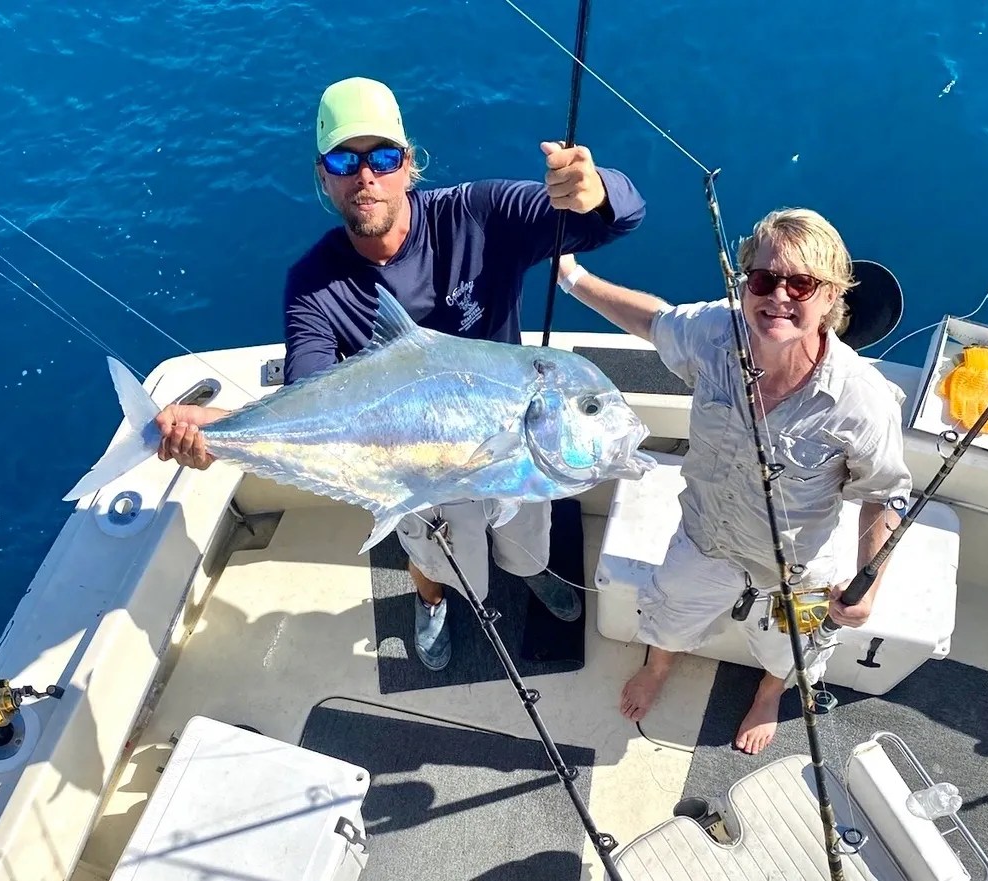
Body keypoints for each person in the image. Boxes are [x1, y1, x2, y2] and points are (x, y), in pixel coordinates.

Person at [153, 76, 647, 672]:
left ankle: (531, 572)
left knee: (527, 532)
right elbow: (310, 398)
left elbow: (616, 219)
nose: (366, 176)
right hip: (409, 469)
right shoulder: (313, 285)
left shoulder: (479, 215)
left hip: (515, 448)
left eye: (383, 158)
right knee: (433, 553)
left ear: (409, 164)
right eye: (344, 161)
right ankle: (431, 599)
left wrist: (594, 190)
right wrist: (219, 433)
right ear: (323, 176)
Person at [555, 207, 912, 754]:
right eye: (764, 279)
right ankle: (659, 666)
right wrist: (571, 276)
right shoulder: (714, 332)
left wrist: (870, 589)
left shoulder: (862, 400)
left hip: (794, 567)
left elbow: (884, 495)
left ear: (832, 296)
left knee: (793, 652)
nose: (779, 297)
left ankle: (769, 692)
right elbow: (654, 322)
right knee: (669, 614)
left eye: (801, 284)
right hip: (706, 538)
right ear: (746, 284)